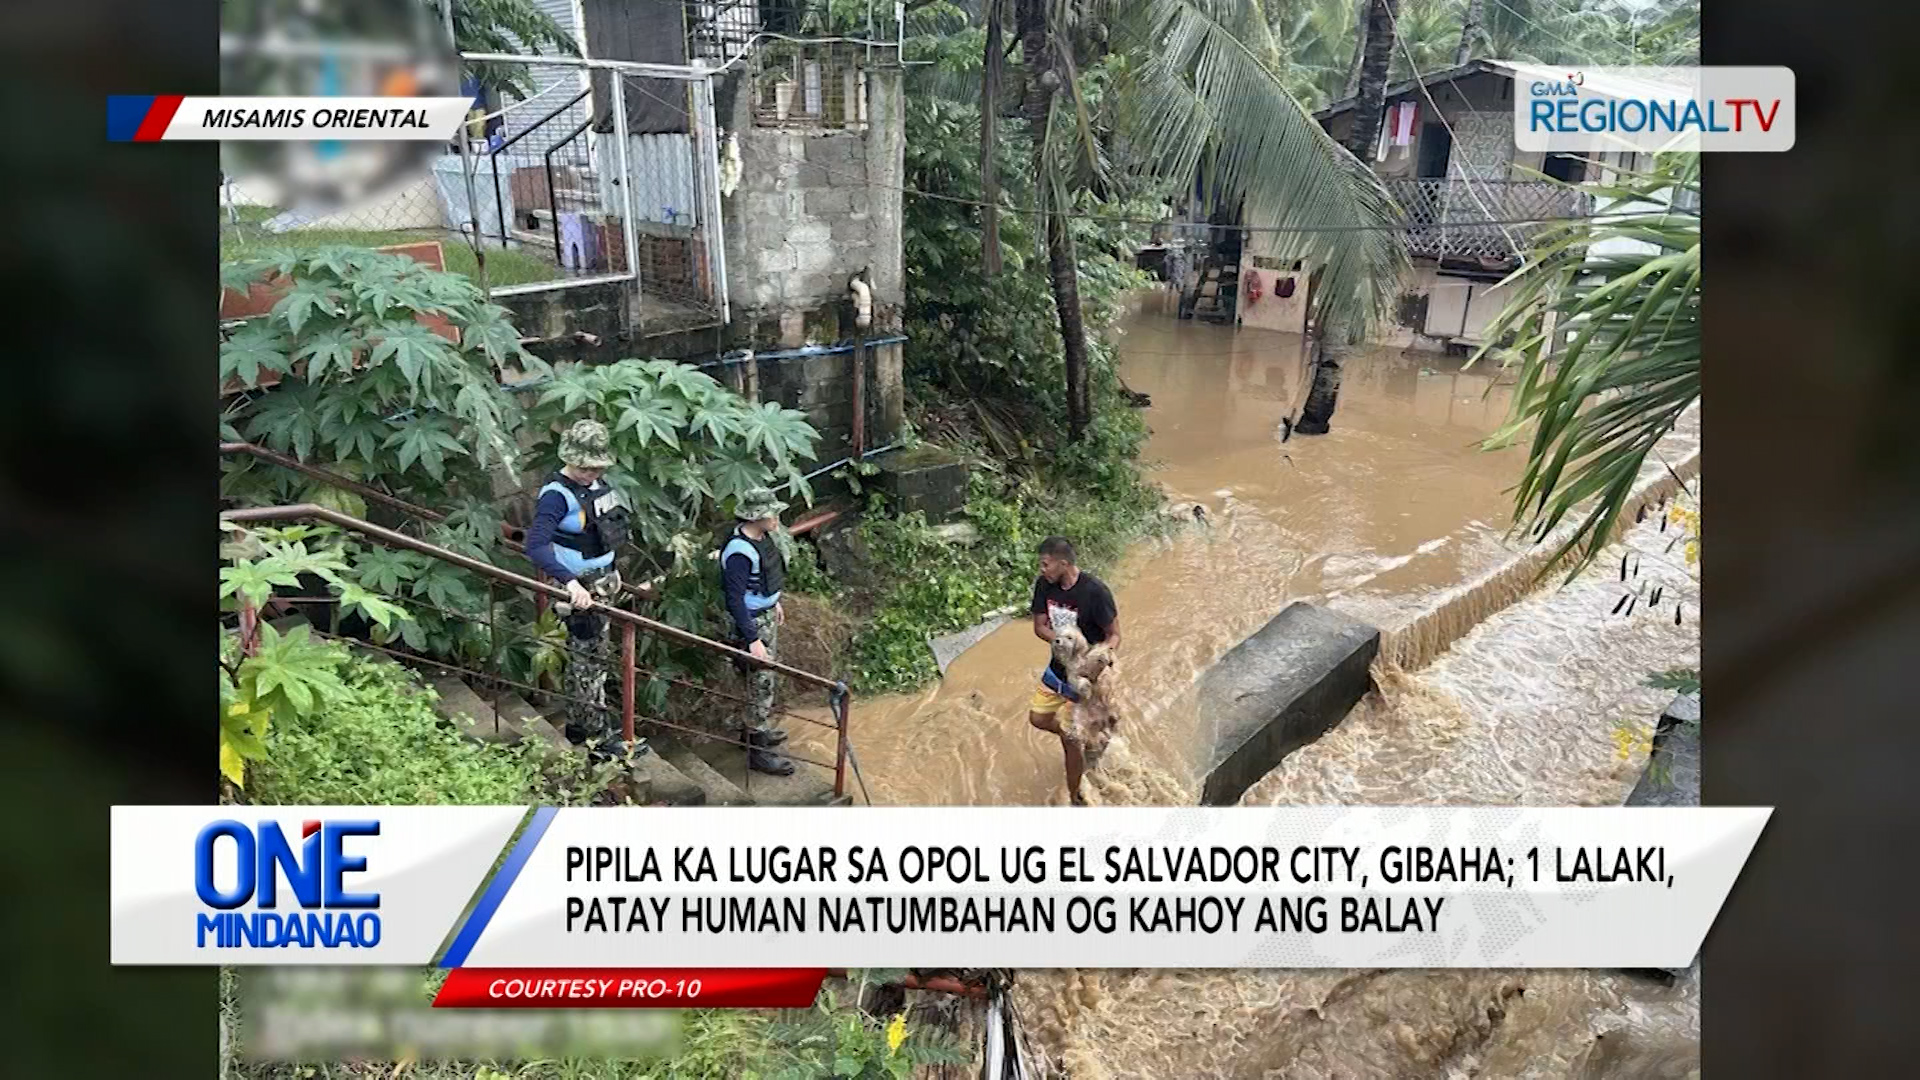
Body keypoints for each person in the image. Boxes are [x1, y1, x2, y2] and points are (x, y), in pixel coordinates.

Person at [524, 419, 643, 762]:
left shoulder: (597, 486)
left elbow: (604, 528)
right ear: (571, 460)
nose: (592, 472)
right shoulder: (556, 496)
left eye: (597, 467)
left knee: (594, 658)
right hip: (581, 589)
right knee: (589, 662)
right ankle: (595, 737)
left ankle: (580, 726)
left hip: (603, 579)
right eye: (586, 467)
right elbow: (536, 545)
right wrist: (570, 582)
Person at [1028, 536, 1121, 805]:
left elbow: (1114, 635)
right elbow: (1040, 626)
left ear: (1064, 563)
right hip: (1059, 668)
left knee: (1076, 740)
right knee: (1038, 718)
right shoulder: (1044, 585)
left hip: (1086, 676)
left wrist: (1097, 658)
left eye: (1045, 564)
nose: (1041, 570)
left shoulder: (1095, 592)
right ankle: (1078, 736)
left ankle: (1075, 799)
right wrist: (1063, 645)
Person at [720, 487, 795, 776]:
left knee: (763, 679)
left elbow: (765, 575)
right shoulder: (739, 552)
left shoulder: (762, 538)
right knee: (760, 681)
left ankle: (754, 733)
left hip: (764, 615)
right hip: (749, 623)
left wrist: (775, 602)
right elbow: (734, 599)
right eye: (771, 514)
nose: (776, 518)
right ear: (756, 517)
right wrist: (752, 639)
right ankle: (757, 750)